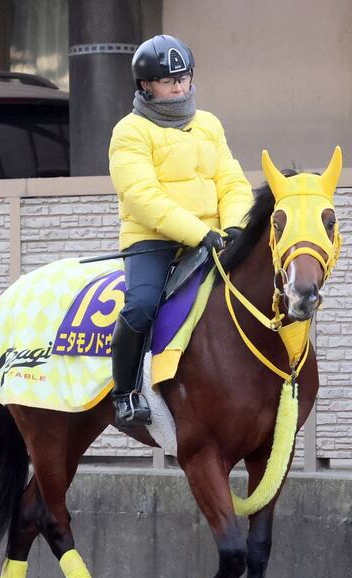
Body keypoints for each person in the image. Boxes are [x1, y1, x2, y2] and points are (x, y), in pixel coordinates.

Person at [108, 34, 253, 428]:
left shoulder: (209, 124)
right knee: (141, 304)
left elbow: (232, 182)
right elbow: (141, 196)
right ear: (145, 86)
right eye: (167, 79)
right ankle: (124, 394)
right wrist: (198, 233)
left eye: (184, 76)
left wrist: (237, 225)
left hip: (213, 235)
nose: (178, 85)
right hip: (153, 239)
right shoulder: (130, 131)